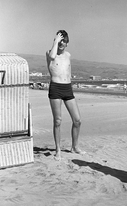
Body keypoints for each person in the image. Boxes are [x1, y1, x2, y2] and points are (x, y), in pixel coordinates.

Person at [46, 30, 85, 160]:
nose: (61, 43)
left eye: (64, 41)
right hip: (55, 88)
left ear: (67, 43)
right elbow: (52, 57)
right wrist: (55, 42)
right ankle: (58, 150)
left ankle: (75, 147)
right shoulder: (50, 53)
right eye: (59, 40)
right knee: (58, 121)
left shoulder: (68, 55)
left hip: (67, 88)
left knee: (77, 120)